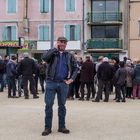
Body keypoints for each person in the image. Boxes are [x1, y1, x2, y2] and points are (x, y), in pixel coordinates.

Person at [42, 36, 78, 136]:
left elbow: (75, 68)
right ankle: (47, 128)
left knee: (62, 105)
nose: (62, 44)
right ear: (57, 42)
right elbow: (44, 58)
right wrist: (54, 48)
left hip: (63, 83)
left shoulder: (69, 55)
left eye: (64, 42)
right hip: (51, 82)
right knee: (48, 105)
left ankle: (62, 126)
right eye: (60, 42)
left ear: (66, 44)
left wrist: (71, 79)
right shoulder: (52, 53)